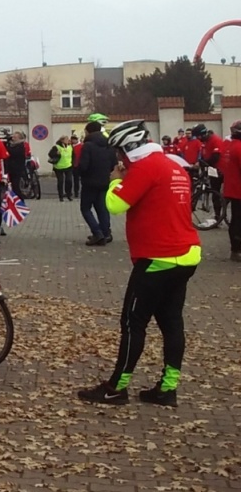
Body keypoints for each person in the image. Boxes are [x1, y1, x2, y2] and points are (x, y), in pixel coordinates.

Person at [78, 120, 200, 407]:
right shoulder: (173, 165)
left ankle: (116, 388)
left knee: (133, 323)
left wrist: (116, 180)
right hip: (187, 254)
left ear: (130, 148)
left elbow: (115, 205)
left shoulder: (145, 168)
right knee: (171, 322)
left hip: (158, 257)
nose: (119, 159)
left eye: (120, 153)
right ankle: (168, 388)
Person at [77, 121, 115, 246]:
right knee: (102, 208)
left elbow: (84, 166)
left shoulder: (88, 146)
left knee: (85, 208)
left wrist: (78, 171)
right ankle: (105, 233)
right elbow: (113, 163)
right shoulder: (108, 144)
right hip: (105, 181)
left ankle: (97, 232)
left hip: (90, 182)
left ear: (89, 131)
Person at [196, 124, 224, 222]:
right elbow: (204, 156)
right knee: (214, 193)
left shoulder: (215, 140)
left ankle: (222, 212)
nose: (198, 139)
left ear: (202, 134)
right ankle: (217, 215)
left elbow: (215, 157)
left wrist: (205, 162)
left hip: (220, 170)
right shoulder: (205, 142)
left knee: (218, 193)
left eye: (198, 137)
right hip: (212, 170)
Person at [222, 121, 241, 261]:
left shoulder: (230, 146)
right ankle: (237, 250)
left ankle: (235, 249)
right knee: (238, 221)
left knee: (235, 219)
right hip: (239, 189)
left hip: (231, 188)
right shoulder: (239, 148)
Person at [5, 131, 31, 202]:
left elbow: (12, 152)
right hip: (11, 168)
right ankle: (14, 200)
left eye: (15, 137)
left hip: (17, 169)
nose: (12, 138)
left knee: (16, 186)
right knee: (12, 186)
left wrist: (6, 148)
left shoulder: (20, 146)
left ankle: (20, 201)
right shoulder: (12, 144)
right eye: (13, 136)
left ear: (19, 138)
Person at [49, 136, 74, 201]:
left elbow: (73, 155)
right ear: (62, 140)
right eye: (66, 139)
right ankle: (61, 196)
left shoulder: (70, 147)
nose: (68, 140)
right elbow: (50, 154)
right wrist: (56, 153)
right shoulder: (56, 147)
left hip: (68, 166)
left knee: (69, 181)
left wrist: (73, 163)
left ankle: (68, 194)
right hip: (58, 167)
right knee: (60, 181)